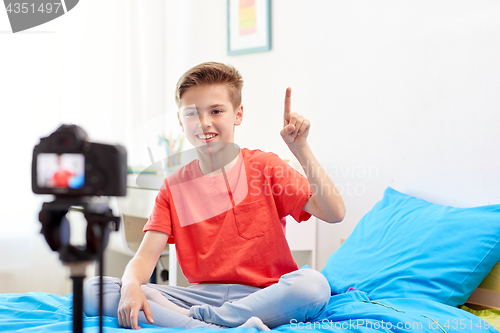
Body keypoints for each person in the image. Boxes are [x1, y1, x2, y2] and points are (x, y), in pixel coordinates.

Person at [84, 62, 346, 330]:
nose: (204, 122)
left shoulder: (266, 166)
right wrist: (130, 286)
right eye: (192, 113)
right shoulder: (173, 187)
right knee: (95, 291)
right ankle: (209, 326)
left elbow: (334, 213)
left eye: (216, 111)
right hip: (199, 296)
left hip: (263, 296)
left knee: (313, 285)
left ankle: (202, 325)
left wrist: (301, 148)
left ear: (238, 114)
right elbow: (143, 258)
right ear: (180, 120)